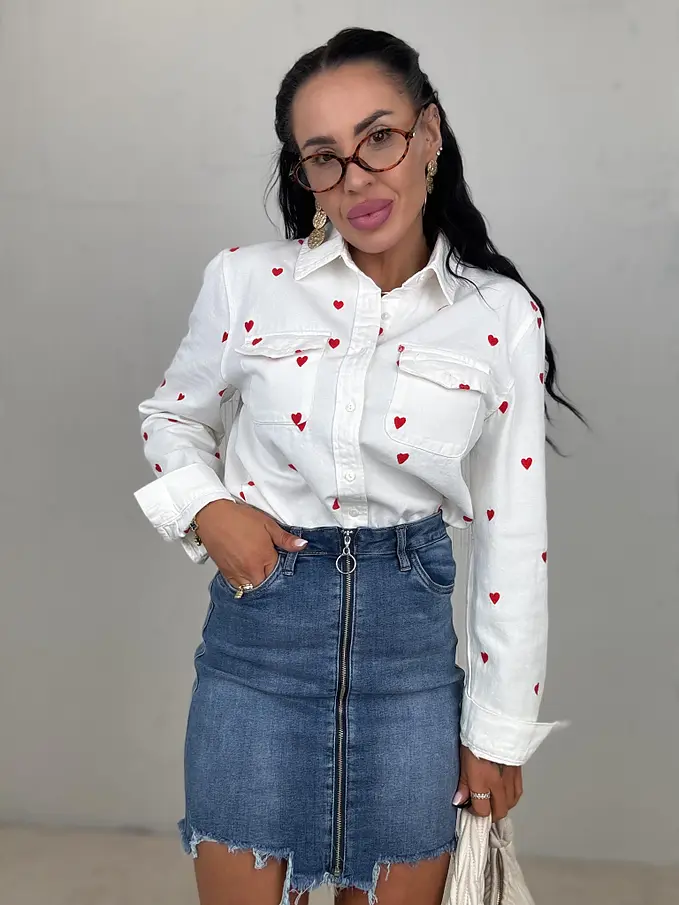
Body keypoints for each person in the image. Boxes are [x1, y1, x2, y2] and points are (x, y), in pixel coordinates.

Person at [134, 26, 585, 905]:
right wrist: (208, 510)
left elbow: (512, 537)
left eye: (379, 137)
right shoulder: (245, 281)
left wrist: (498, 731)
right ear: (302, 172)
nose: (356, 178)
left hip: (408, 673)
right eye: (323, 156)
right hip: (256, 656)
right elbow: (172, 416)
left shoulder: (499, 315)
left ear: (429, 133)